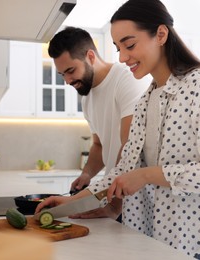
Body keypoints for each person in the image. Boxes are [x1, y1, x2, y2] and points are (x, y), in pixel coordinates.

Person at [36, 0, 200, 258]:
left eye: (130, 45)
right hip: (165, 242)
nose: (123, 57)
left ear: (160, 34)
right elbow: (125, 170)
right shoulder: (147, 100)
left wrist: (148, 175)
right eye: (118, 48)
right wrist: (71, 202)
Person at [48, 27, 148, 219]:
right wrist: (87, 174)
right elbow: (99, 144)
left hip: (134, 203)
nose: (67, 81)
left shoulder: (126, 80)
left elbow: (131, 148)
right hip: (113, 197)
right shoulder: (87, 98)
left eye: (70, 71)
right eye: (62, 75)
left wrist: (114, 206)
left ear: (90, 56)